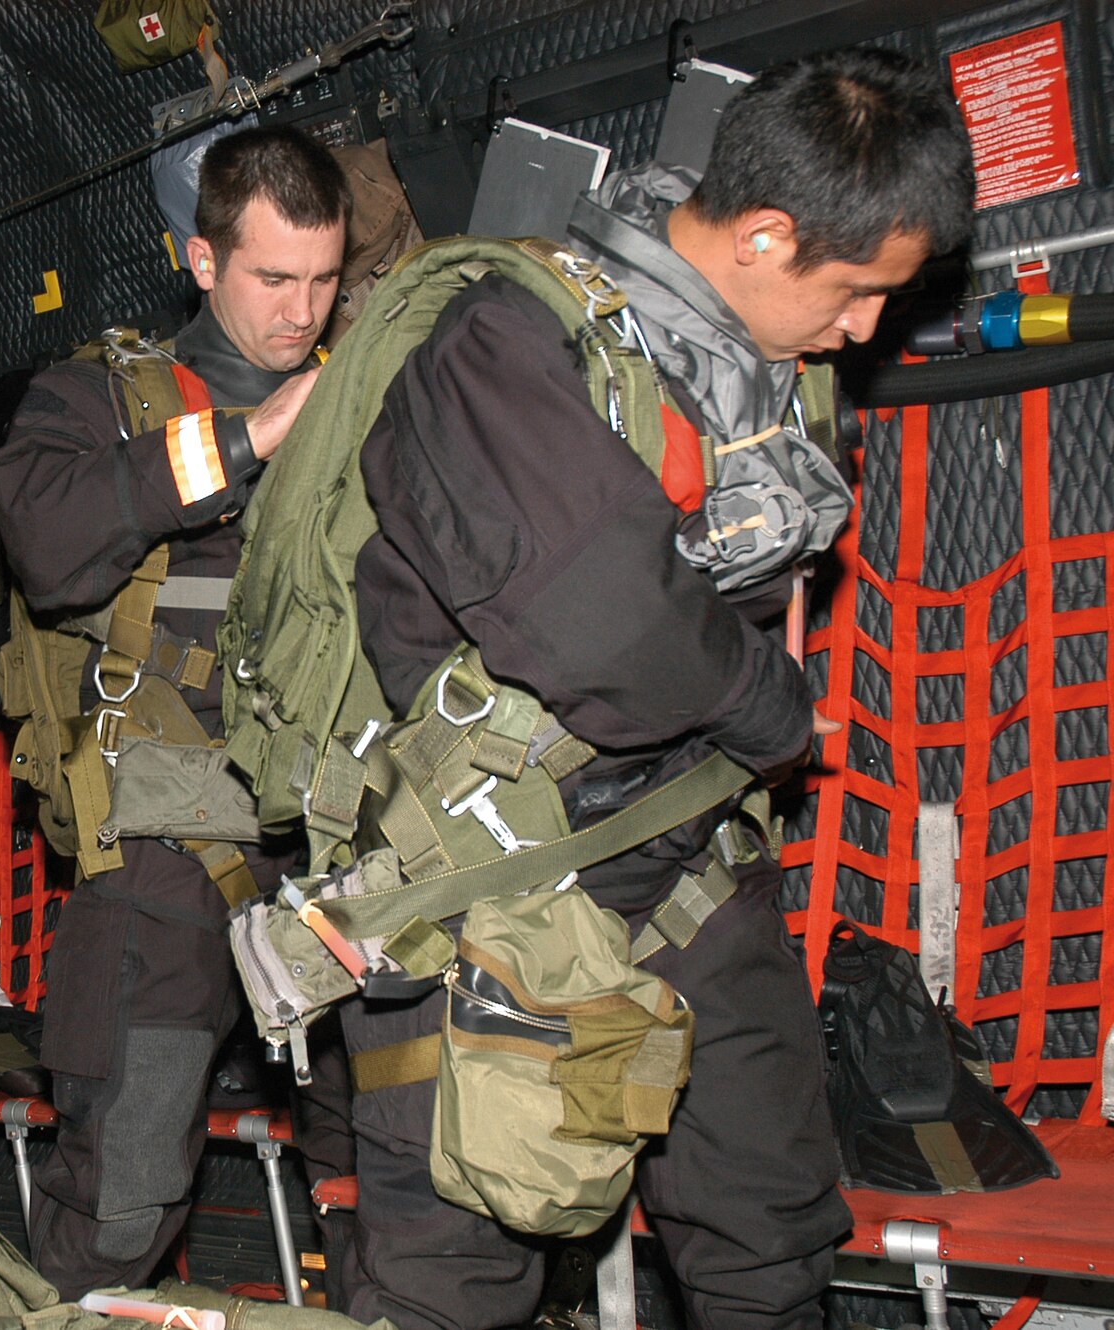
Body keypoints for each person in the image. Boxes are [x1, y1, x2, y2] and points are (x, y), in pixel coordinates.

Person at [342, 48, 974, 1327]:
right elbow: (605, 629)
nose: (863, 333)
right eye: (856, 294)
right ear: (762, 232)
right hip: (488, 883)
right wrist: (772, 709)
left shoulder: (743, 364)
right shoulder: (502, 346)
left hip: (683, 858)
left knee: (769, 1225)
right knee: (458, 1273)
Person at [0, 126, 350, 1297]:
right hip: (168, 845)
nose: (302, 312)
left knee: (397, 1190)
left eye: (324, 279)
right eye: (271, 278)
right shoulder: (106, 396)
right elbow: (43, 540)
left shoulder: (367, 393)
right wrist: (249, 438)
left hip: (347, 848)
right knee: (123, 1195)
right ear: (201, 260)